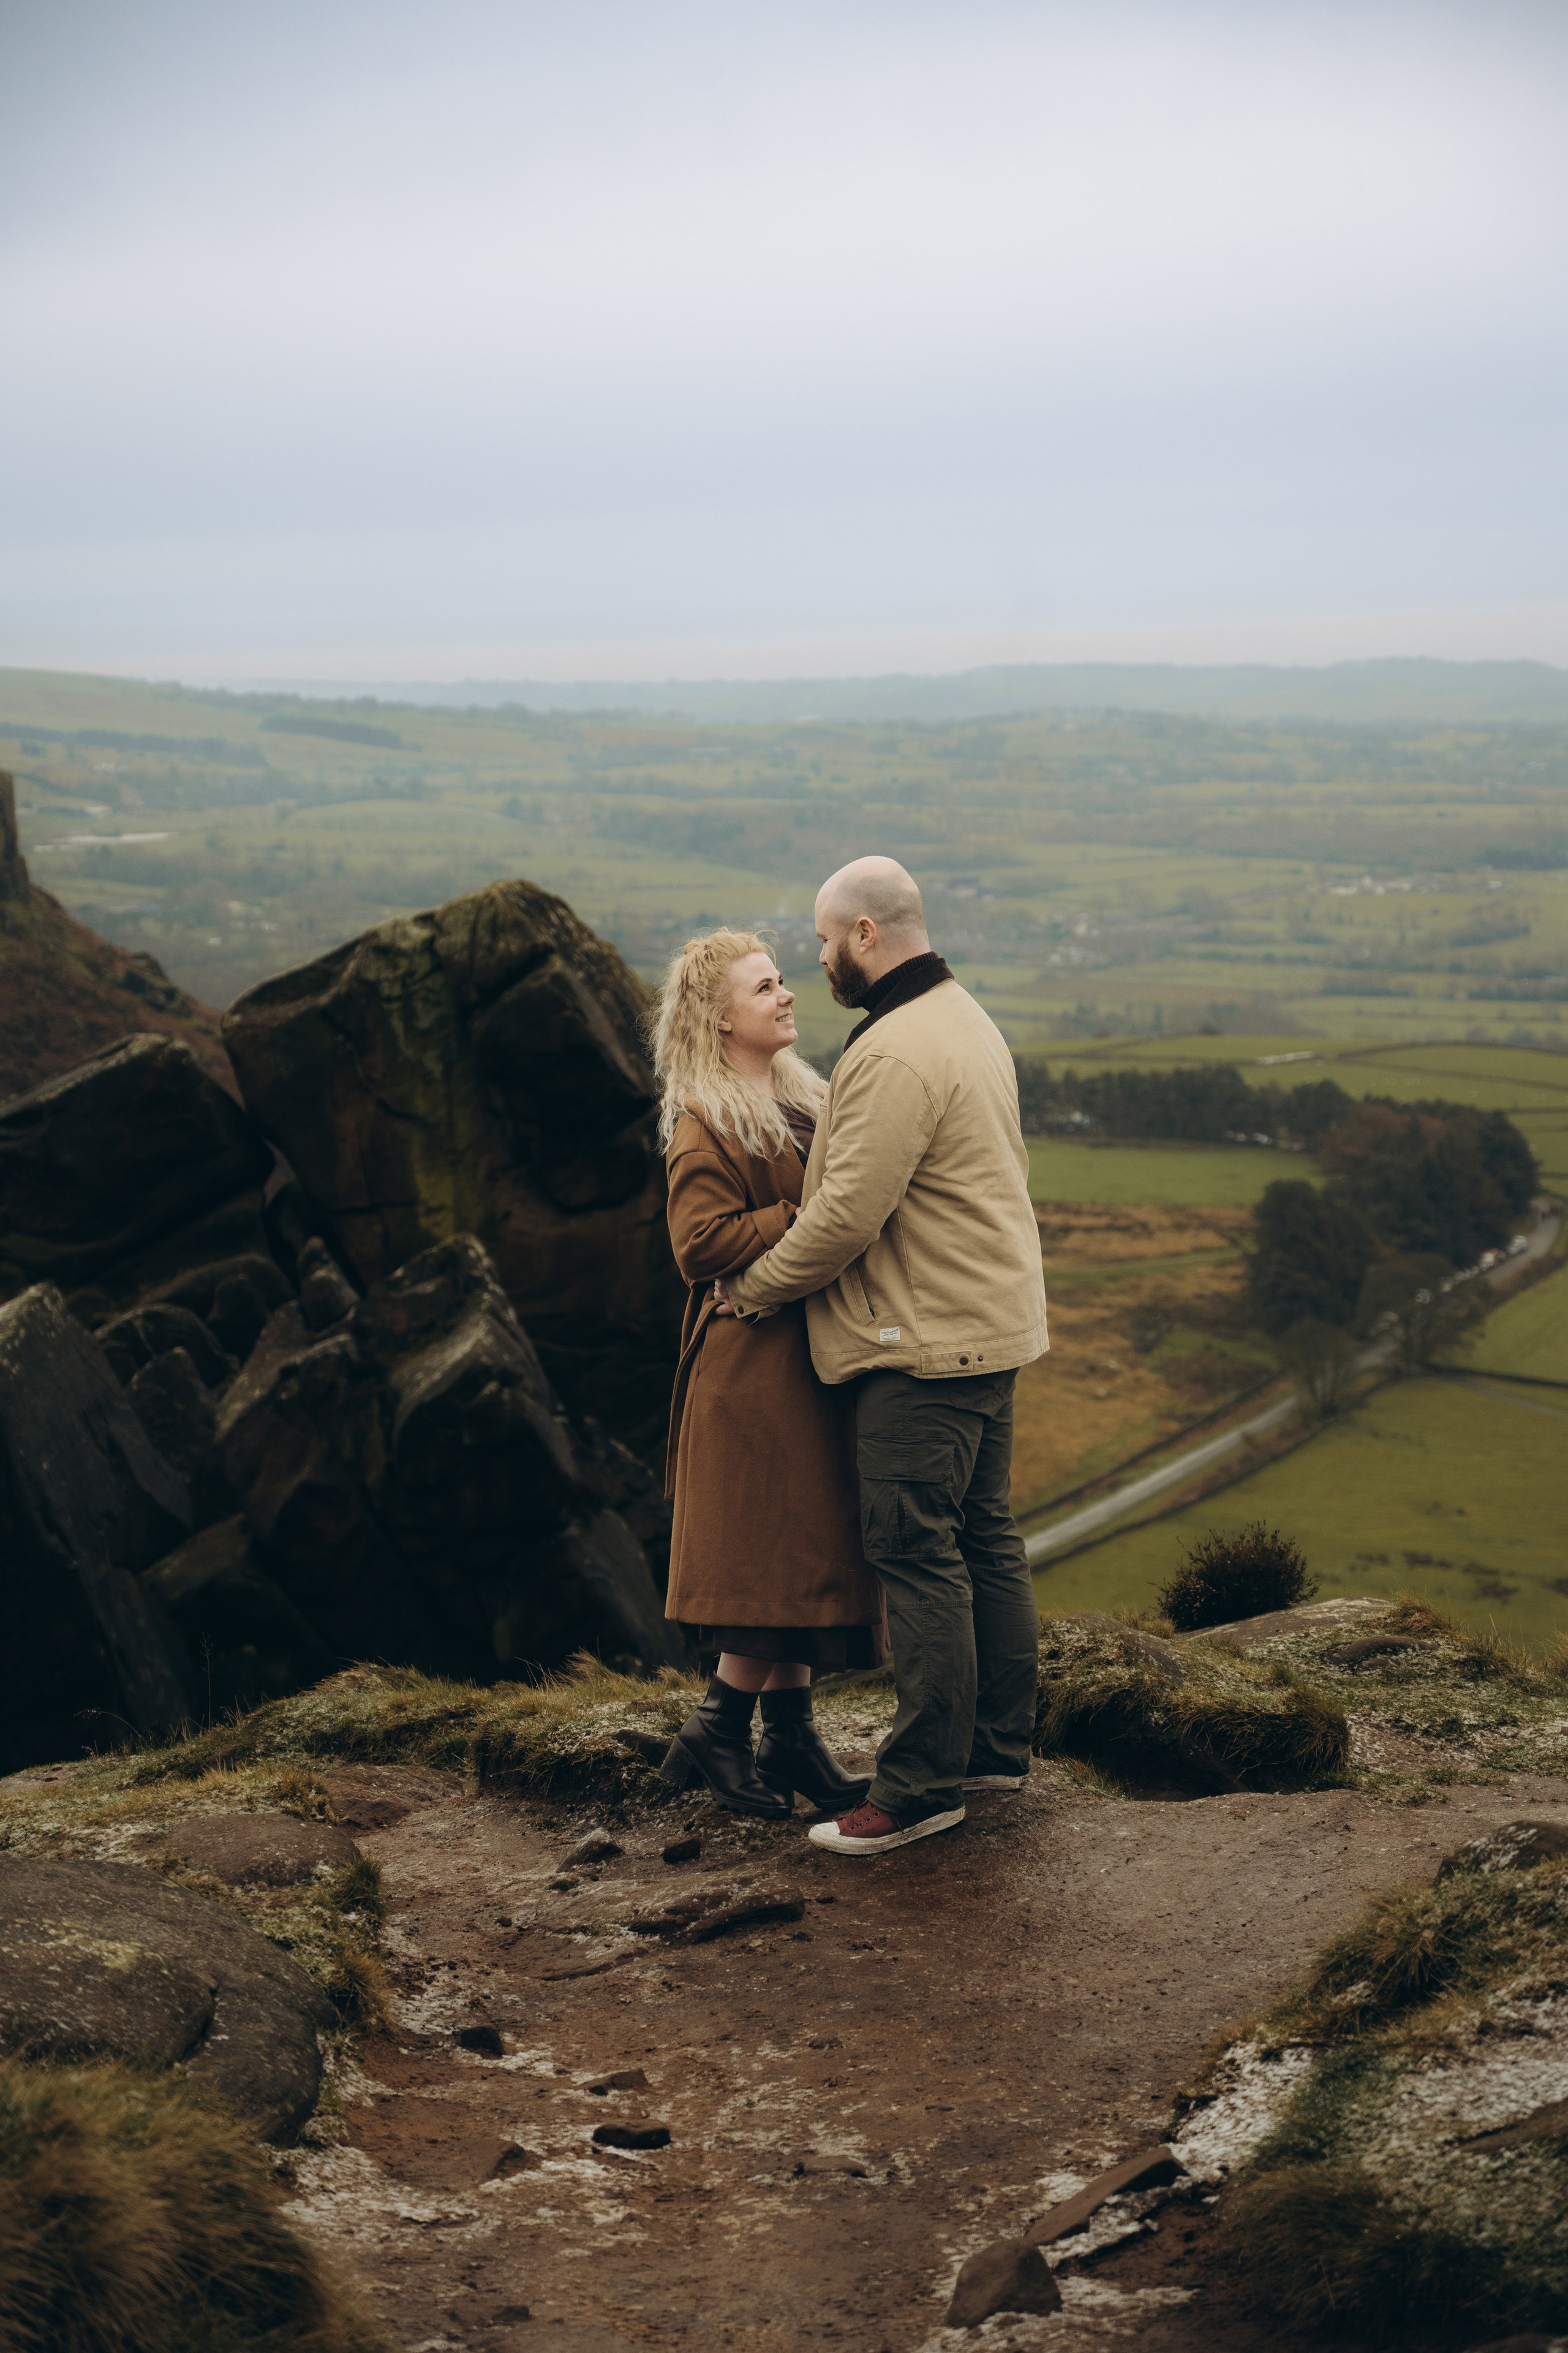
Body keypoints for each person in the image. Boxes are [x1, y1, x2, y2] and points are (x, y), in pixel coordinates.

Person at [718, 858, 1049, 1856]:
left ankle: (919, 1788)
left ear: (866, 933)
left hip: (923, 1344)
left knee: (917, 1551)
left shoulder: (897, 1049)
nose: (817, 961)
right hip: (988, 1326)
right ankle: (993, 1748)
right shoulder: (965, 1016)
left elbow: (844, 1217)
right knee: (984, 1538)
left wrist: (754, 1288)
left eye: (823, 942)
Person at [651, 927, 885, 1820]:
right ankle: (717, 1728)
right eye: (764, 988)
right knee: (763, 1559)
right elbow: (696, 1244)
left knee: (795, 1555)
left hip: (800, 1362)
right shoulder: (702, 1118)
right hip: (749, 1374)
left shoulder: (797, 1095)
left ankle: (787, 1734)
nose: (787, 995)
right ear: (719, 1021)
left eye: (783, 979)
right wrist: (801, 1213)